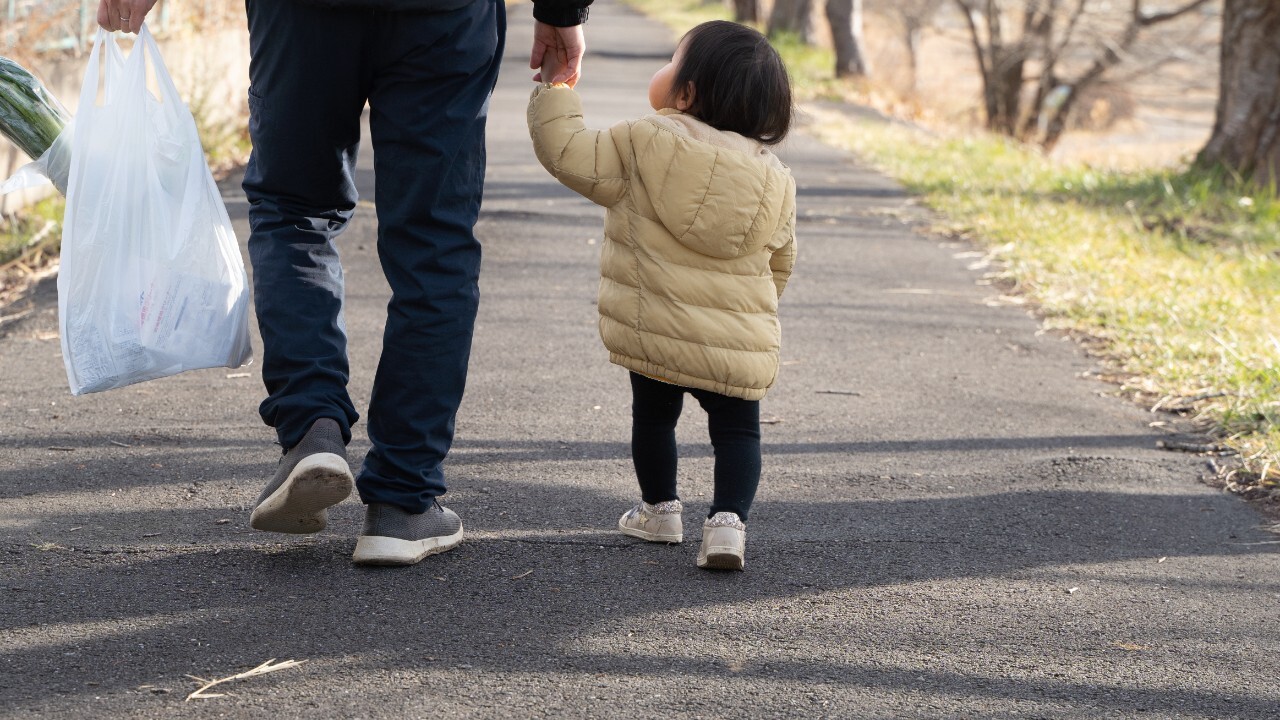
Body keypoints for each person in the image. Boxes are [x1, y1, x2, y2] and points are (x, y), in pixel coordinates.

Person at [101, 0, 592, 567]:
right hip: (444, 16)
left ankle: (311, 424)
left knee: (294, 211)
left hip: (303, 15)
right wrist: (562, 8)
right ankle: (403, 503)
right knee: (434, 241)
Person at [527, 20, 797, 571]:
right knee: (738, 431)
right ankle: (727, 525)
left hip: (657, 330)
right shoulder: (777, 179)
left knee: (654, 419)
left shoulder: (645, 139)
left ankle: (660, 510)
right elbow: (781, 261)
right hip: (738, 337)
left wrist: (557, 90)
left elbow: (569, 154)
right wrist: (755, 310)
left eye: (673, 61)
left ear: (686, 92)